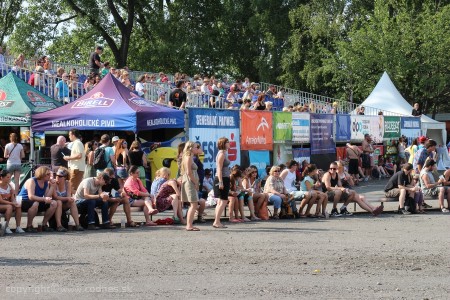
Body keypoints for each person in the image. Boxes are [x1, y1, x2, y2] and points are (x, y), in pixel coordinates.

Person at [18, 166, 58, 232]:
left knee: (54, 203)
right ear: (42, 174)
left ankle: (44, 224)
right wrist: (44, 199)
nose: (50, 176)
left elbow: (47, 196)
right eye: (48, 174)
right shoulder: (32, 181)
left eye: (50, 174)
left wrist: (52, 186)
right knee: (35, 203)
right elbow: (31, 196)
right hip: (24, 201)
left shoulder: (45, 182)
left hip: (37, 201)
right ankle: (29, 226)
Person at [180, 141, 201, 231]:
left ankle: (189, 224)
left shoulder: (190, 157)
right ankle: (189, 225)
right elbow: (189, 172)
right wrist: (195, 182)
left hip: (190, 181)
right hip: (190, 182)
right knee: (193, 204)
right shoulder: (188, 157)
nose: (197, 148)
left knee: (193, 204)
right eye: (196, 147)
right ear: (190, 148)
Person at [213, 137, 231, 228]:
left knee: (221, 201)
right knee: (223, 201)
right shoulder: (221, 154)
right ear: (223, 144)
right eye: (227, 142)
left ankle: (217, 221)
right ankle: (217, 221)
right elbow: (219, 169)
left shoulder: (224, 153)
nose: (229, 143)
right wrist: (220, 182)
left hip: (225, 178)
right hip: (222, 178)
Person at [0, 169, 25, 234]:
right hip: (1, 205)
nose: (9, 179)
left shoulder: (10, 186)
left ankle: (18, 227)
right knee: (9, 207)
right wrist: (12, 203)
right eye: (7, 177)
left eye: (10, 177)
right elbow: (1, 200)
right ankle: (6, 226)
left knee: (18, 206)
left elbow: (13, 197)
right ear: (2, 178)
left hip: (7, 204)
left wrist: (15, 202)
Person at [64, 129, 85, 193]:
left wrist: (69, 158)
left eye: (69, 135)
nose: (69, 136)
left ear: (73, 135)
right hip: (76, 168)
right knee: (72, 188)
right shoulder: (77, 143)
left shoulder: (78, 143)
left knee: (72, 188)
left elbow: (79, 155)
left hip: (76, 169)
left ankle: (74, 202)